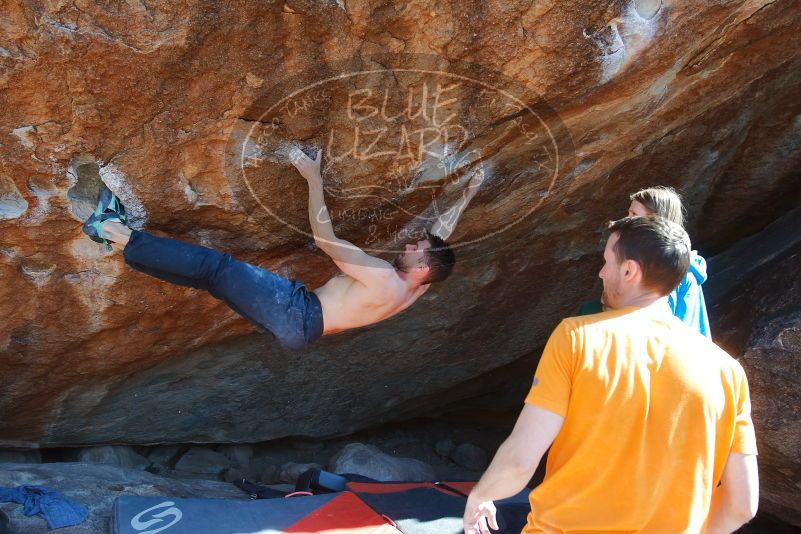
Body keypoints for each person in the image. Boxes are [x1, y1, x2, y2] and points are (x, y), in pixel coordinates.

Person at [464, 217, 758, 534]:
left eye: (607, 262)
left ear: (629, 271)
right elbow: (742, 506)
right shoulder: (727, 371)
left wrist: (482, 495)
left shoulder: (577, 337)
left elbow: (521, 458)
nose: (601, 272)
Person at [82, 148, 482, 349]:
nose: (411, 243)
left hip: (297, 312)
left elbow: (325, 240)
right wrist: (467, 194)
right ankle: (123, 245)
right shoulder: (417, 288)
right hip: (301, 328)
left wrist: (311, 176)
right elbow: (441, 237)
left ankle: (112, 229)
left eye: (417, 248)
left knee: (216, 268)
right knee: (211, 279)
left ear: (422, 267)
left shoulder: (383, 278)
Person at [627, 186, 711, 337]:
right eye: (628, 213)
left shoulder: (678, 275)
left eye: (634, 214)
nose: (627, 220)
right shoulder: (644, 263)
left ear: (656, 220)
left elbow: (681, 335)